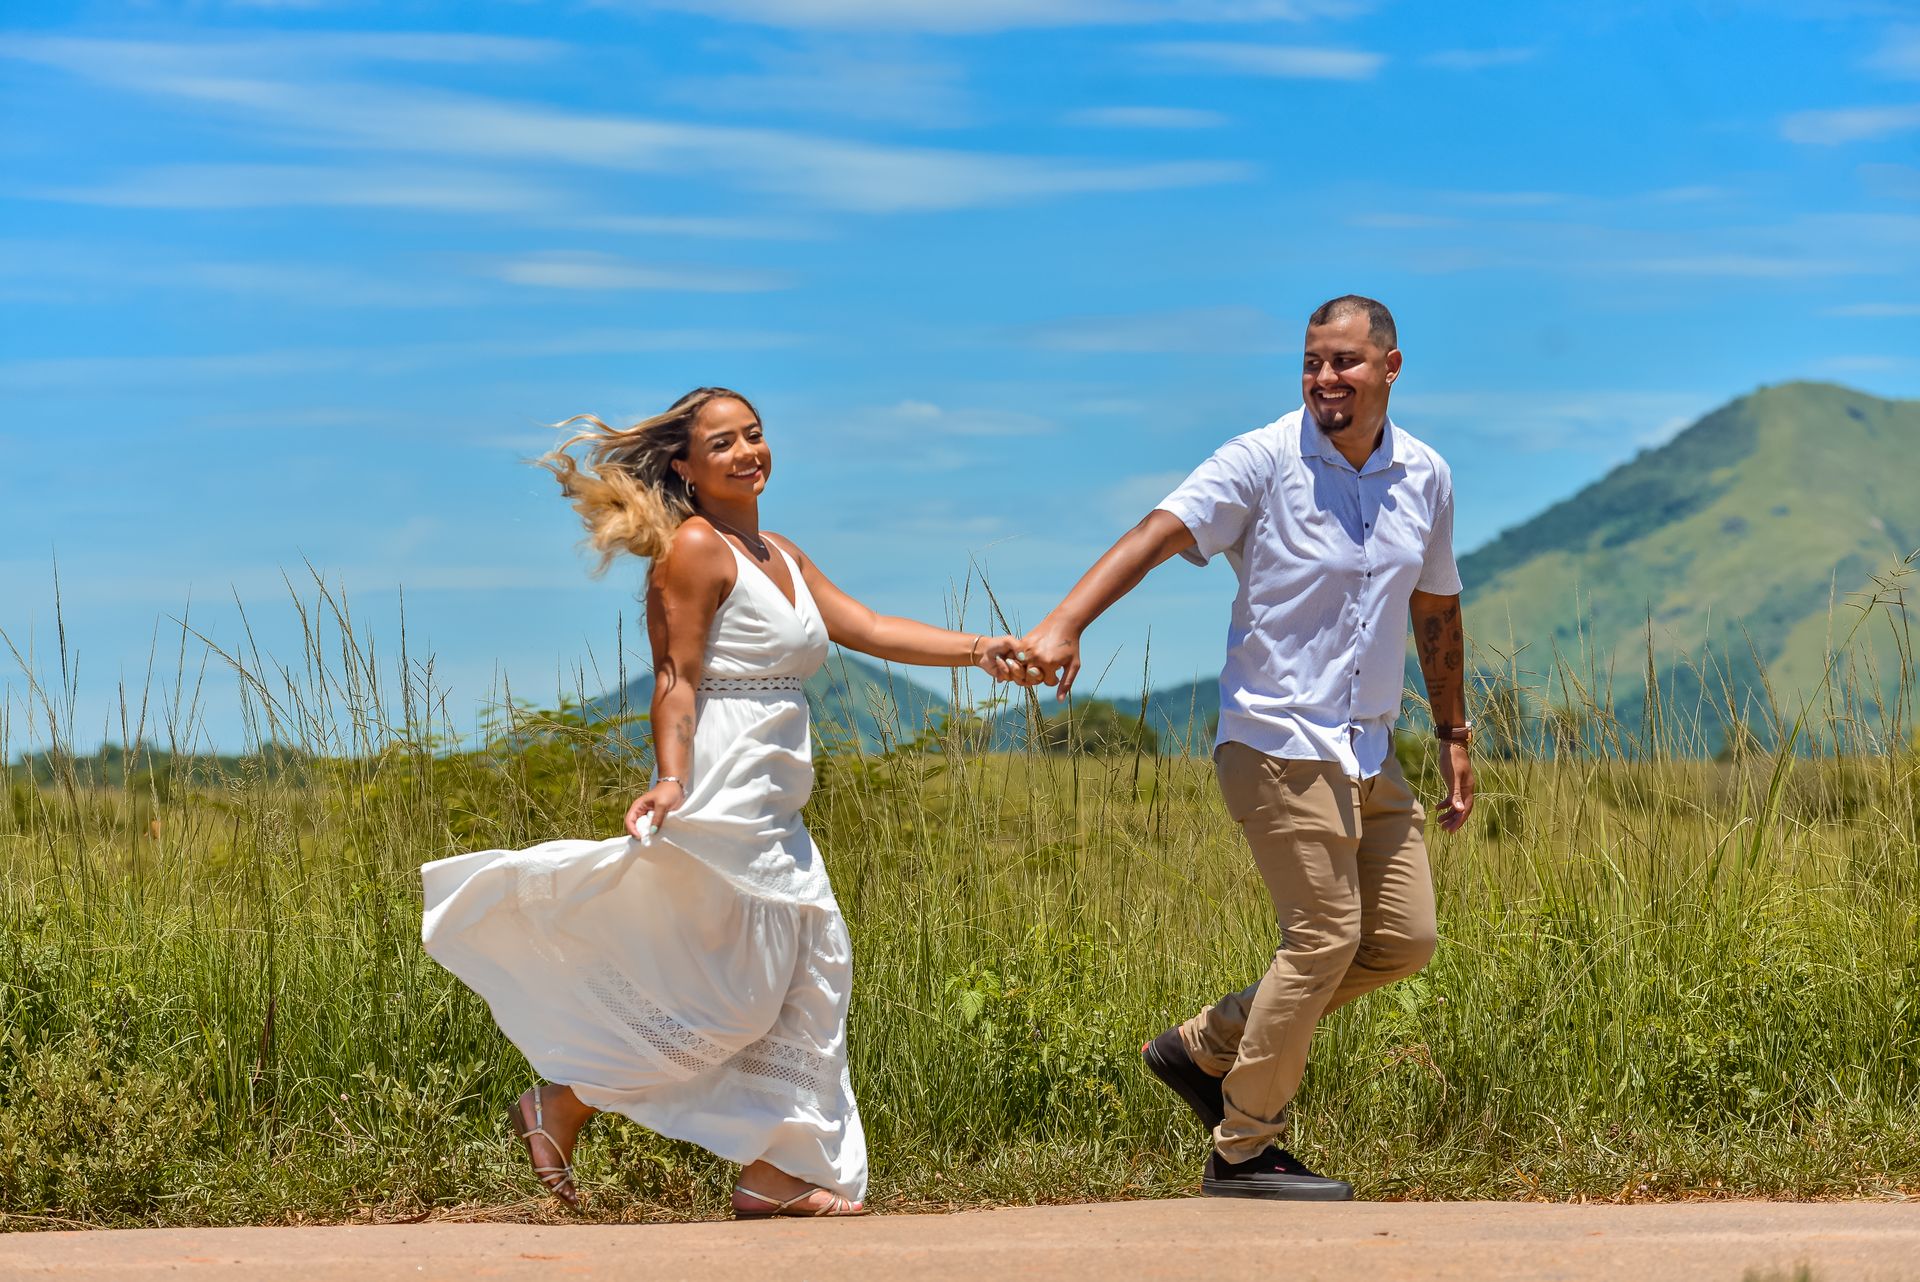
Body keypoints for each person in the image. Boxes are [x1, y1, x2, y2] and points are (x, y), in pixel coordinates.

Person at [422, 387, 1033, 1219]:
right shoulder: (697, 550)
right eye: (724, 444)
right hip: (725, 782)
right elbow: (676, 677)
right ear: (685, 465)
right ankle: (565, 1101)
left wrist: (984, 650)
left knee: (816, 969)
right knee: (734, 992)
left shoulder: (777, 550)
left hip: (777, 794)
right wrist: (672, 777)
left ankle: (773, 1176)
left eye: (755, 435)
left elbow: (871, 626)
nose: (748, 451)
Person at [1020, 296, 1475, 1201]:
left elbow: (1435, 605)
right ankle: (1244, 1149)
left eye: (1345, 362)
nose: (1324, 379)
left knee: (1403, 939)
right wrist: (1064, 623)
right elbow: (1158, 533)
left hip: (1369, 748)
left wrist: (1454, 729)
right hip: (1275, 740)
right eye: (1311, 362)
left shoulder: (1425, 475)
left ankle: (1205, 1047)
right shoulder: (1263, 459)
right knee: (1323, 939)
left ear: (1390, 368)